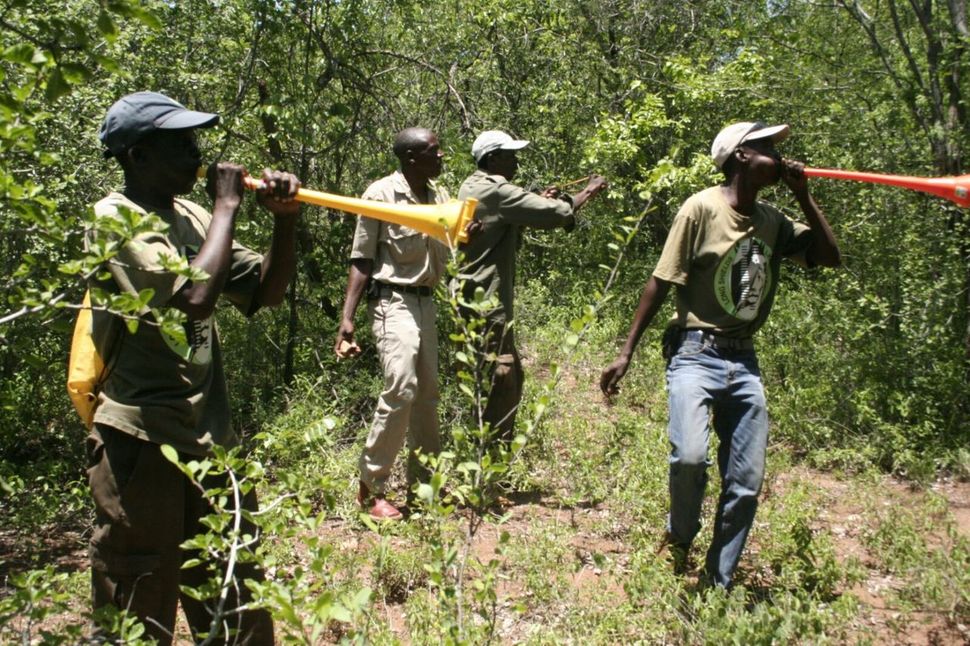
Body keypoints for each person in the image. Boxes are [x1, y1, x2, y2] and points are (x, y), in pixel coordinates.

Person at [86, 91, 301, 644]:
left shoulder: (192, 214)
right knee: (138, 601)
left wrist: (284, 222)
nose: (196, 152)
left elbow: (265, 291)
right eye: (179, 144)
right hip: (142, 440)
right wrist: (228, 208)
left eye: (194, 140)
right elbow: (194, 298)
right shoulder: (114, 218)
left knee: (236, 592)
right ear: (137, 156)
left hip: (211, 440)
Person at [599, 121, 841, 588]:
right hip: (694, 352)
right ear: (740, 157)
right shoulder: (700, 209)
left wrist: (805, 197)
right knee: (690, 458)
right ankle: (680, 537)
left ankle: (718, 581)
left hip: (743, 361)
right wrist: (626, 352)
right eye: (766, 146)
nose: (777, 154)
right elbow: (661, 280)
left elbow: (828, 257)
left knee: (745, 484)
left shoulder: (773, 220)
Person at [456, 130, 607, 447]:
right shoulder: (497, 191)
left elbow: (507, 218)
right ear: (493, 157)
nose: (517, 161)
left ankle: (486, 457)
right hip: (489, 303)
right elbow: (558, 214)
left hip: (472, 298)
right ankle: (489, 462)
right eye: (510, 155)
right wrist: (588, 192)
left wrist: (538, 198)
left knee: (492, 378)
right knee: (502, 379)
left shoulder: (474, 185)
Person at [334, 127, 450, 520]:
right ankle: (371, 489)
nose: (442, 157)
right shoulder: (380, 194)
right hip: (392, 301)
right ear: (412, 158)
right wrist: (346, 318)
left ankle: (425, 487)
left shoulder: (439, 195)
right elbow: (362, 258)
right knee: (401, 385)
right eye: (434, 151)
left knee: (428, 394)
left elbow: (457, 236)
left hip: (427, 302)